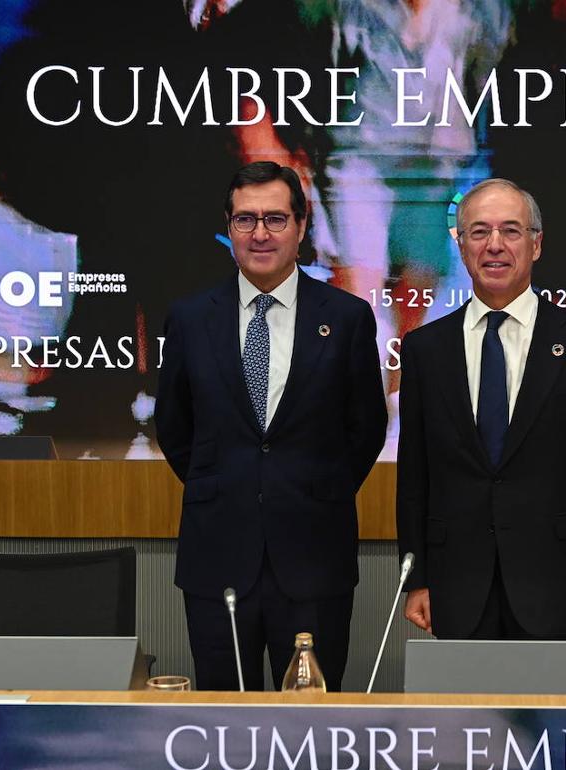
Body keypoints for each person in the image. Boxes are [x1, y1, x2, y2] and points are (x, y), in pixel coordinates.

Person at [156, 161, 387, 690]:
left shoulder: (347, 317)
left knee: (311, 729)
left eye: (276, 219)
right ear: (229, 225)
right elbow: (175, 426)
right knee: (222, 724)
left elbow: (366, 428)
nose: (260, 233)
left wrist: (309, 488)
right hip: (218, 562)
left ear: (302, 227)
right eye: (246, 219)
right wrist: (229, 484)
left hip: (314, 559)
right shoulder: (191, 319)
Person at [395, 178, 566, 640]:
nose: (495, 246)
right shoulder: (426, 348)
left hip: (562, 586)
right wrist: (417, 578)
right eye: (479, 232)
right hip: (457, 587)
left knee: (553, 715)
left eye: (511, 230)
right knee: (462, 715)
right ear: (461, 245)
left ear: (536, 244)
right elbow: (415, 476)